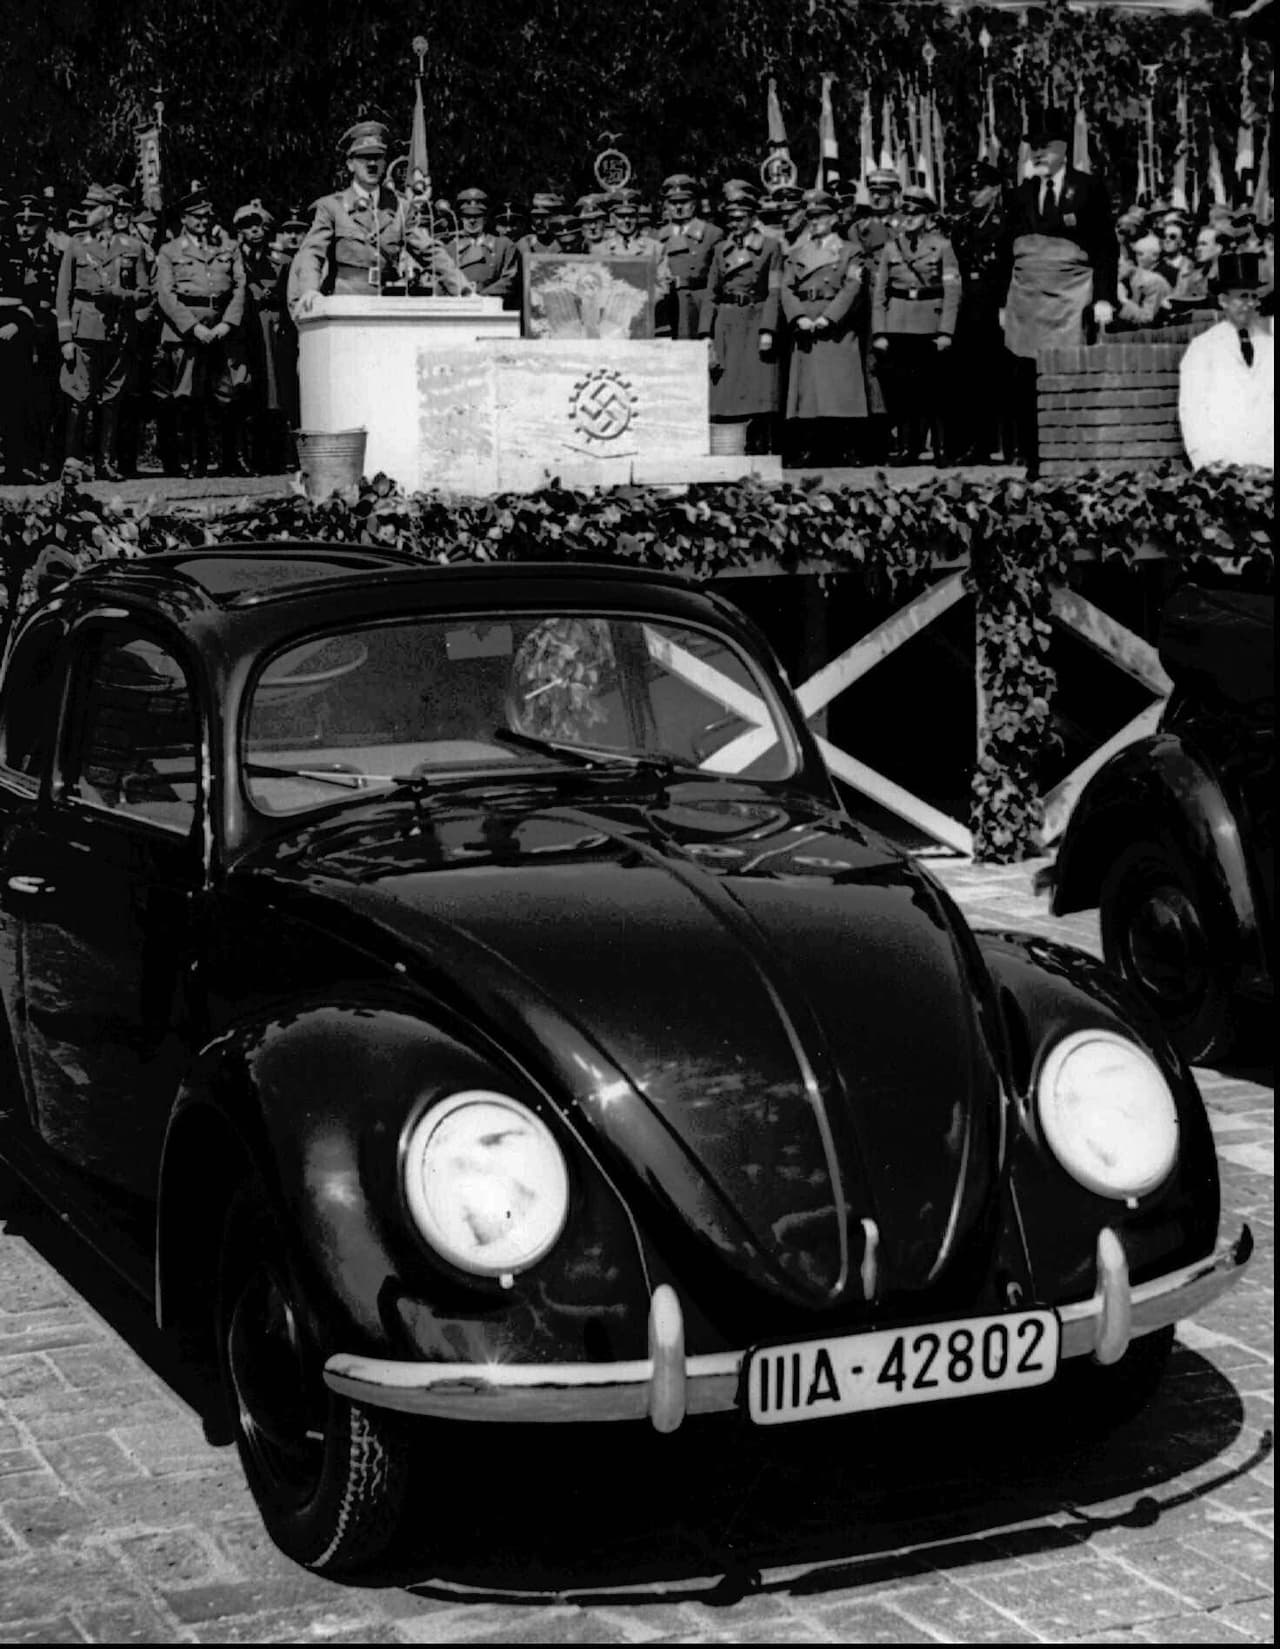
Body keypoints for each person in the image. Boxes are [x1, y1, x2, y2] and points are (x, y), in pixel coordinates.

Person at [1002, 108, 1118, 476]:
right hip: (1028, 299)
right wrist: (1002, 304)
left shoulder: (1088, 188)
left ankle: (1073, 459)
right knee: (1025, 380)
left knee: (1068, 374)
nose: (1038, 154)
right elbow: (1007, 252)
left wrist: (1103, 297)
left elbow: (1105, 248)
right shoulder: (1019, 194)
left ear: (1063, 148)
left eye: (1045, 146)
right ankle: (1035, 463)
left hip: (1073, 295)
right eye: (1033, 148)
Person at [289, 122, 460, 312]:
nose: (372, 164)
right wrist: (310, 290)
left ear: (384, 162)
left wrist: (463, 289)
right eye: (364, 158)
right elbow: (312, 253)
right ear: (350, 164)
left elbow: (429, 251)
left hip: (387, 304)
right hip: (344, 304)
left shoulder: (401, 207)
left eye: (377, 158)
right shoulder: (332, 207)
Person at [55, 181, 153, 480]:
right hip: (84, 329)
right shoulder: (77, 244)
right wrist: (65, 338)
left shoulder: (132, 247)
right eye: (84, 208)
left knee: (112, 398)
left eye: (92, 208)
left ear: (108, 211)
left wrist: (117, 295)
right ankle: (73, 462)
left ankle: (105, 461)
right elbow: (63, 294)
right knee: (79, 396)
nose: (86, 212)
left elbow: (145, 293)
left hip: (118, 330)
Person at [152, 181, 247, 477]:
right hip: (188, 332)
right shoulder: (169, 251)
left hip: (222, 327)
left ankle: (233, 459)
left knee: (228, 393)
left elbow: (240, 287)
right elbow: (165, 295)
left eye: (207, 217)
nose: (203, 222)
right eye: (197, 217)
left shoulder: (228, 247)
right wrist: (193, 328)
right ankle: (197, 460)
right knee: (189, 396)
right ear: (184, 219)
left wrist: (227, 323)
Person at [767, 188, 866, 466]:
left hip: (835, 324)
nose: (815, 222)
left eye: (821, 216)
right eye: (810, 217)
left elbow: (852, 288)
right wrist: (798, 316)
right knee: (808, 391)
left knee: (841, 388)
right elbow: (785, 288)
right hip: (805, 321)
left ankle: (848, 449)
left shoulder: (850, 251)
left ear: (834, 218)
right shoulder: (798, 253)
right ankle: (809, 449)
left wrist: (829, 317)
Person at [871, 184, 961, 466]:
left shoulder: (942, 246)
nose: (910, 219)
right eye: (906, 213)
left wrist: (946, 330)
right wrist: (880, 331)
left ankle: (941, 449)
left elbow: (952, 292)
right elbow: (880, 293)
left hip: (930, 324)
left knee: (936, 391)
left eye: (917, 214)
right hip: (898, 324)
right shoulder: (890, 247)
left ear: (928, 217)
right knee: (904, 393)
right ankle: (910, 449)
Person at [698, 185, 781, 450]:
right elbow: (711, 293)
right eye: (731, 219)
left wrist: (768, 328)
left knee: (758, 387)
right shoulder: (721, 250)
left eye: (741, 218)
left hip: (755, 320)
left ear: (752, 218)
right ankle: (728, 448)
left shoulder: (770, 247)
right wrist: (706, 334)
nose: (735, 224)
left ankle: (761, 445)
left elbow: (774, 292)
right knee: (726, 387)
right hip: (726, 322)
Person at [1177, 249, 1273, 470]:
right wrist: (1205, 459)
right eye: (1242, 296)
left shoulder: (1269, 344)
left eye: (1253, 296)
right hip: (1225, 464)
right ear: (1223, 301)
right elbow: (1192, 408)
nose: (1248, 304)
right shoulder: (1203, 348)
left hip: (1268, 461)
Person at [948, 159, 1013, 464]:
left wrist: (1005, 305)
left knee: (999, 377)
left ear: (995, 189)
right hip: (967, 306)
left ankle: (1007, 445)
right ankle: (974, 445)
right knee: (968, 377)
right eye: (970, 188)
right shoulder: (961, 226)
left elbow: (1012, 271)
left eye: (980, 188)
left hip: (997, 306)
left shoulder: (1007, 224)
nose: (973, 194)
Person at [235, 199, 291, 474]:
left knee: (275, 393)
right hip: (243, 328)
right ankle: (244, 457)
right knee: (243, 393)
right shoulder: (234, 260)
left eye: (258, 225)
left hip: (270, 327)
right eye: (248, 227)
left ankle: (274, 458)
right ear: (239, 232)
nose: (255, 231)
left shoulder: (280, 260)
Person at [13, 197, 61, 478]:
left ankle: (49, 460)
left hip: (49, 334)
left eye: (31, 222)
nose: (25, 228)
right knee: (20, 397)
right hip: (19, 334)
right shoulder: (9, 256)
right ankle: (24, 460)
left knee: (49, 399)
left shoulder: (56, 256)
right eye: (21, 222)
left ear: (44, 224)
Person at [655, 173, 722, 338]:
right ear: (666, 205)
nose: (678, 208)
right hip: (668, 305)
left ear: (694, 203)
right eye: (673, 202)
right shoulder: (657, 237)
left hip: (698, 303)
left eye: (684, 202)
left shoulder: (712, 234)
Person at [452, 187, 518, 300]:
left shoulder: (503, 245)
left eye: (477, 216)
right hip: (459, 307)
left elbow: (510, 279)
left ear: (486, 218)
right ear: (461, 218)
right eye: (468, 216)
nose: (472, 221)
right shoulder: (450, 248)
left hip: (492, 307)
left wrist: (481, 296)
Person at [1117, 233, 1173, 328]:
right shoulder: (1123, 280)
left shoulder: (1153, 281)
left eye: (1117, 264)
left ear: (1128, 261)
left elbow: (1147, 319)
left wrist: (1123, 301)